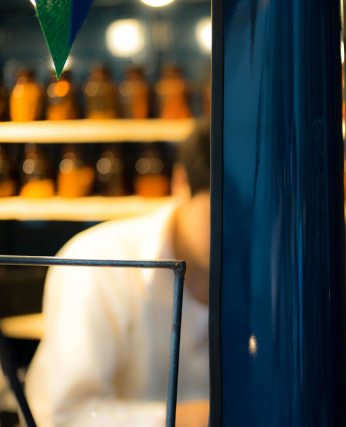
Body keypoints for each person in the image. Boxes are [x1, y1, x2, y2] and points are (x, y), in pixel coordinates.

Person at [25, 120, 211, 427]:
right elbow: (65, 415)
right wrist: (198, 419)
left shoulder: (270, 273)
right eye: (226, 214)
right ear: (181, 183)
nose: (243, 234)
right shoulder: (100, 262)